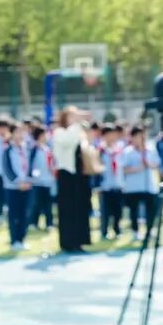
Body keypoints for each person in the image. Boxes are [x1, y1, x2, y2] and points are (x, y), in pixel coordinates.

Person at [52, 107, 93, 252]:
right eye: (72, 116)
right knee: (68, 210)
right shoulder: (60, 132)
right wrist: (78, 123)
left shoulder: (79, 131)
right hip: (66, 174)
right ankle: (68, 242)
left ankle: (80, 241)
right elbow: (68, 140)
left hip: (79, 174)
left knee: (81, 208)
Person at [120, 125, 161, 242]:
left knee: (150, 210)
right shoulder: (128, 152)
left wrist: (149, 164)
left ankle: (149, 230)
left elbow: (157, 164)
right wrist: (138, 168)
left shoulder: (150, 150)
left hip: (149, 186)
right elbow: (123, 169)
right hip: (133, 187)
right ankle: (135, 231)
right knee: (134, 210)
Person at [2, 122, 32, 251]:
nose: (20, 135)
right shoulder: (8, 150)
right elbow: (7, 169)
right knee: (14, 214)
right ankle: (14, 240)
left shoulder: (27, 148)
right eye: (17, 132)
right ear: (12, 134)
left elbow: (30, 167)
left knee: (25, 213)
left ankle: (22, 238)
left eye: (22, 132)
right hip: (12, 187)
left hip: (27, 186)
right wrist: (18, 182)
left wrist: (28, 181)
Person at [98, 124, 125, 240]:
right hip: (105, 185)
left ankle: (117, 229)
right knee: (105, 210)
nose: (112, 137)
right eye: (109, 134)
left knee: (118, 210)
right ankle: (104, 231)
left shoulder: (119, 149)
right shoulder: (100, 151)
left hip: (118, 184)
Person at [27, 126, 55, 231]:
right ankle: (33, 223)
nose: (47, 136)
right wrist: (32, 176)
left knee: (48, 204)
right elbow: (30, 165)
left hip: (48, 180)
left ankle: (49, 223)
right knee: (36, 203)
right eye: (45, 134)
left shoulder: (47, 149)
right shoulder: (34, 149)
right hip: (37, 182)